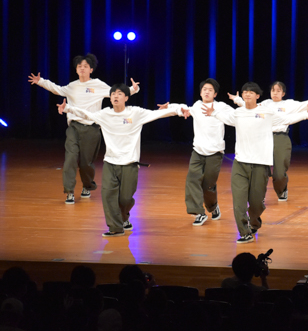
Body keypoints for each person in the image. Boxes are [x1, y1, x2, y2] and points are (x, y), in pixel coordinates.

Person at [203, 82, 308, 243]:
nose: (247, 94)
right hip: (240, 163)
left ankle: (254, 222)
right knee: (238, 202)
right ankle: (244, 232)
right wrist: (213, 112)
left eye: (251, 92)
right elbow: (224, 116)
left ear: (258, 96)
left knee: (256, 203)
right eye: (245, 92)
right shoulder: (237, 113)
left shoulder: (267, 112)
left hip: (260, 164)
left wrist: (307, 114)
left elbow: (287, 118)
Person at [57, 85, 181, 236]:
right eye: (113, 94)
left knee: (125, 198)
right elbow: (86, 114)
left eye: (119, 93)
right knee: (108, 195)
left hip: (130, 164)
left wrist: (179, 109)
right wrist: (68, 108)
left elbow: (158, 114)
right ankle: (115, 228)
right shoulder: (104, 114)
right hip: (110, 162)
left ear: (126, 98)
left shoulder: (135, 113)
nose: (115, 96)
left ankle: (123, 218)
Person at [28, 53, 140, 204]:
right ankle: (69, 191)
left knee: (86, 163)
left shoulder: (98, 85)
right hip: (74, 127)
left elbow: (115, 94)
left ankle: (87, 185)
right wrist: (40, 81)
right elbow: (57, 89)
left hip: (92, 129)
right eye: (79, 66)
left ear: (91, 70)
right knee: (70, 159)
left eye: (85, 66)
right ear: (76, 69)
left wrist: (133, 89)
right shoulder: (72, 86)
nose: (82, 68)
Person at [229, 82, 308, 202]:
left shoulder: (288, 104)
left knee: (279, 173)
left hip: (280, 137)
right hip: (263, 138)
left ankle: (282, 189)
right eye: (273, 90)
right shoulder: (265, 104)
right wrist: (237, 99)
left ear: (283, 93)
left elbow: (306, 104)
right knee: (261, 169)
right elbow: (249, 105)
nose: (275, 93)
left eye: (278, 90)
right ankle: (260, 194)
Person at [162, 78, 233, 226]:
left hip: (215, 152)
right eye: (204, 89)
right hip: (198, 151)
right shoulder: (197, 106)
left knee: (208, 184)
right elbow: (183, 108)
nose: (207, 92)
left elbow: (235, 117)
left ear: (215, 94)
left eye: (210, 90)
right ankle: (198, 213)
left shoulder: (221, 106)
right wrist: (170, 107)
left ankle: (213, 207)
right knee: (192, 179)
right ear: (200, 92)